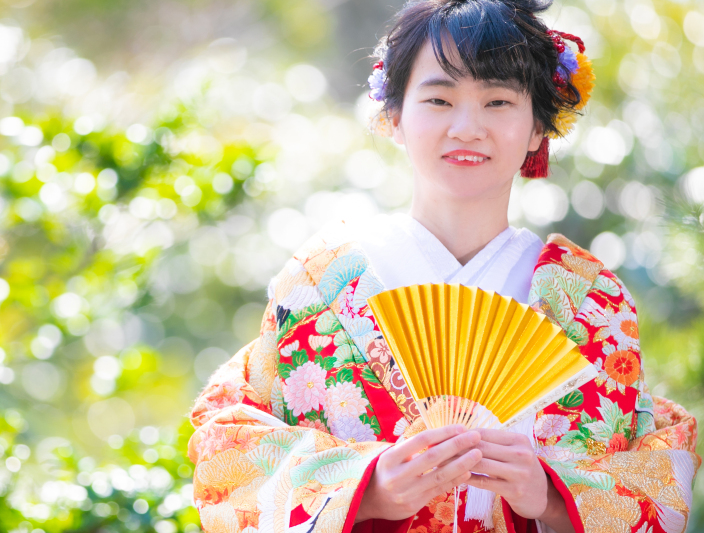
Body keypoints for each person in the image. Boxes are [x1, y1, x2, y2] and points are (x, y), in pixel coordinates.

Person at [187, 0, 701, 531]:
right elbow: (233, 448)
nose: (467, 127)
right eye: (438, 98)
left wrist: (550, 495)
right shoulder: (319, 288)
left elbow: (656, 473)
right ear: (393, 117)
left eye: (498, 101)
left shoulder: (591, 303)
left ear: (538, 129)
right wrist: (365, 488)